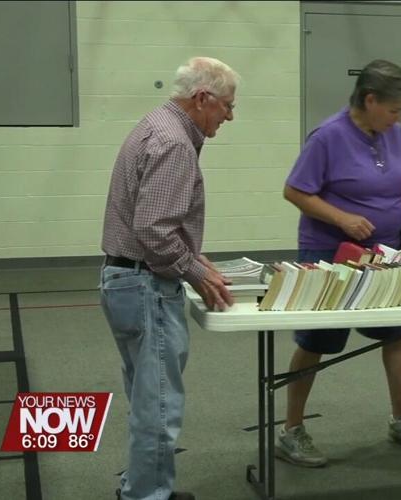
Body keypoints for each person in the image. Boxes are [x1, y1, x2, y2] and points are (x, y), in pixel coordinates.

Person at [278, 59, 401, 468]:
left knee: (395, 335)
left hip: (385, 253)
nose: (398, 118)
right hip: (330, 253)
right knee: (316, 343)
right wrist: (342, 218)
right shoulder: (327, 138)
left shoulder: (394, 135)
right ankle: (292, 429)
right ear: (370, 100)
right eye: (394, 109)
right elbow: (295, 191)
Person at [100, 56, 239, 500]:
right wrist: (197, 272)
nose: (230, 116)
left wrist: (196, 257)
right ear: (202, 99)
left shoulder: (156, 124)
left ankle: (142, 486)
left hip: (125, 279)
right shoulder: (175, 141)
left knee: (146, 397)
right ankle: (147, 496)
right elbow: (155, 231)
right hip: (145, 286)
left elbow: (156, 223)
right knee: (158, 403)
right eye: (227, 105)